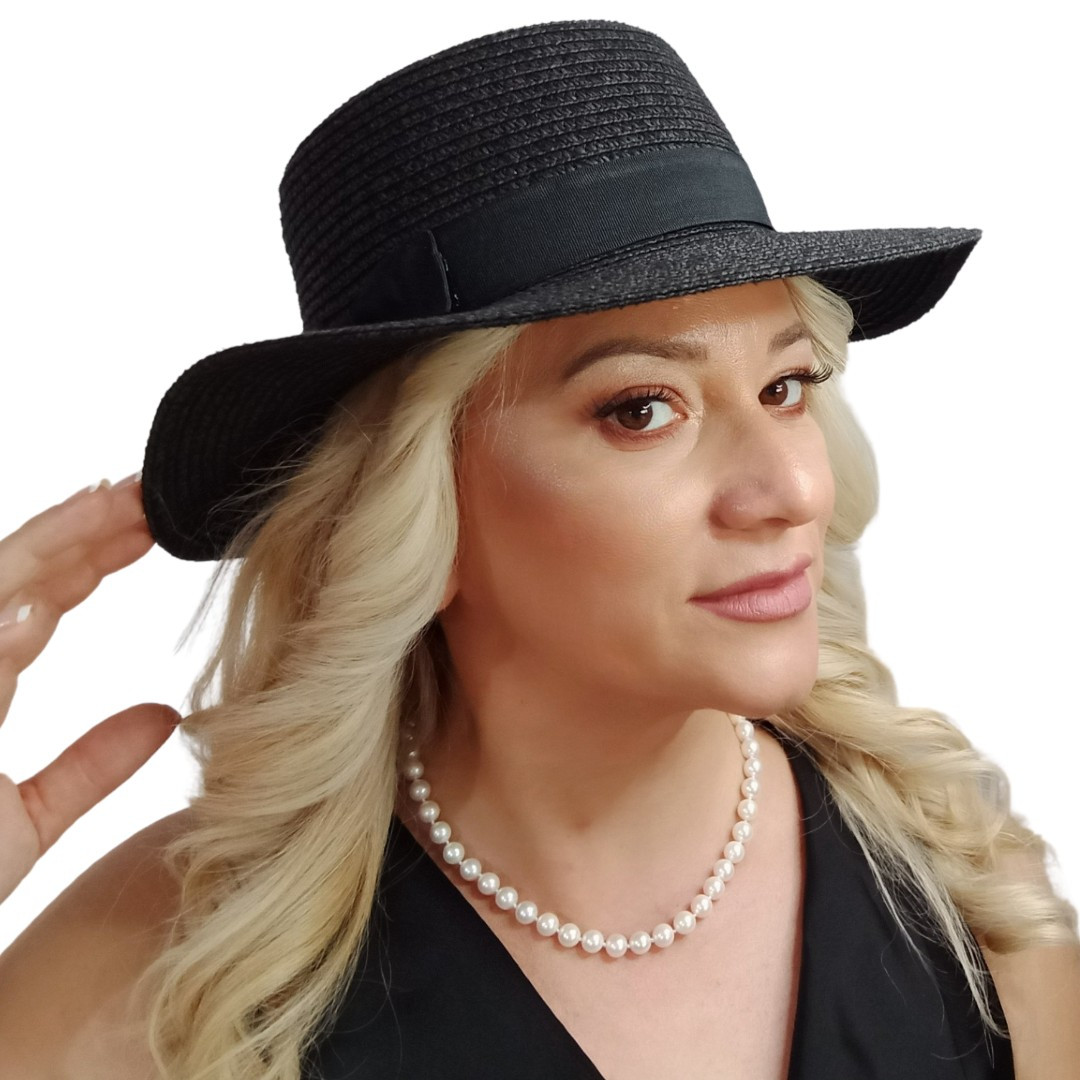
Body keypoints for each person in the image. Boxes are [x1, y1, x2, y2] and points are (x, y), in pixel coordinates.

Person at [0, 17, 1077, 1080]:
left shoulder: (967, 894)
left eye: (785, 386)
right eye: (642, 410)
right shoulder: (169, 978)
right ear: (418, 510)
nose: (790, 492)